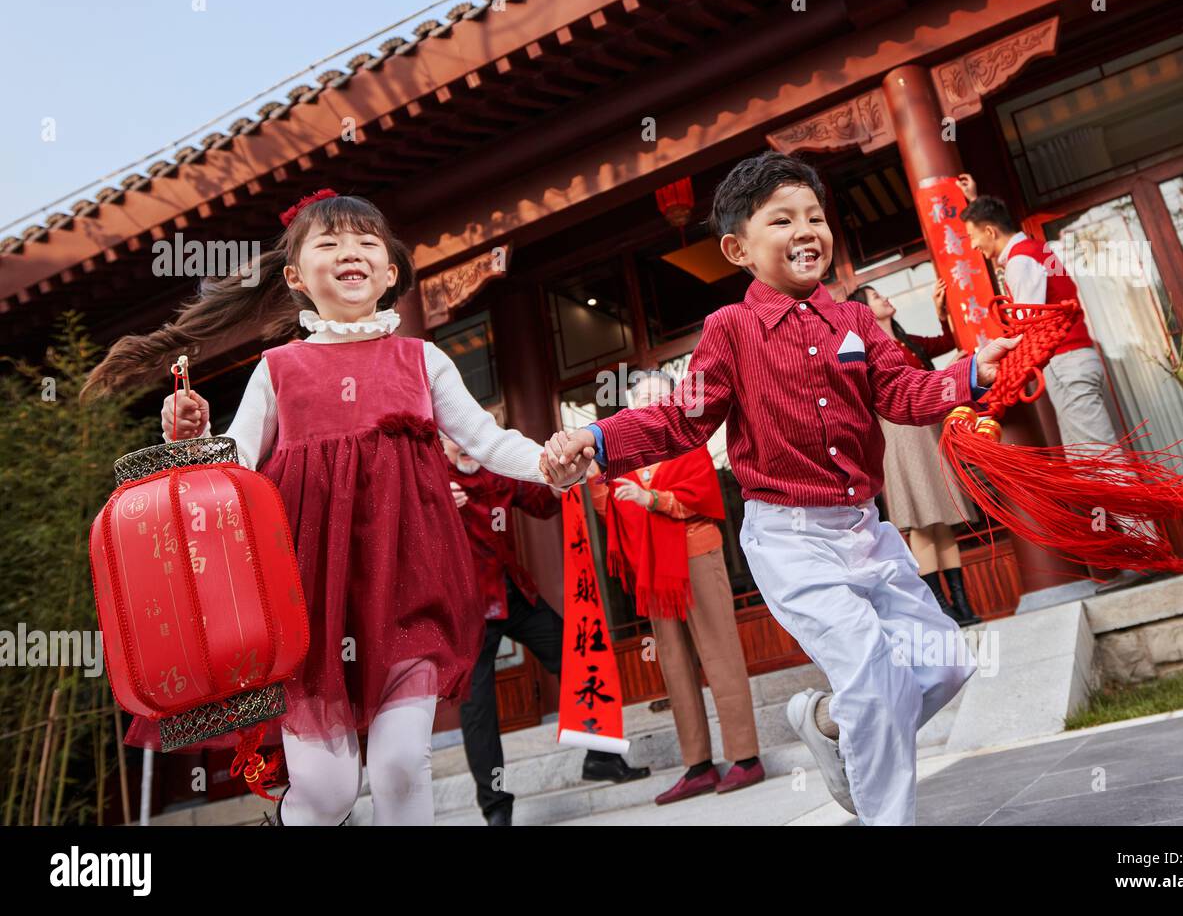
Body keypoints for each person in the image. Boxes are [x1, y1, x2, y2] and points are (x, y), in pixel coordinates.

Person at [539, 152, 1022, 824]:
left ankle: (826, 722)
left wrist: (970, 373)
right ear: (738, 247)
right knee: (876, 678)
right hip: (791, 538)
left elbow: (905, 393)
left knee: (944, 665)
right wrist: (594, 441)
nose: (807, 230)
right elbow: (682, 418)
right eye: (783, 219)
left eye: (816, 217)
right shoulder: (729, 331)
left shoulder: (855, 323)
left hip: (867, 531)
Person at [83, 191, 585, 826]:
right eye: (329, 242)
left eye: (367, 241)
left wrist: (549, 462)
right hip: (309, 603)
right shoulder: (277, 370)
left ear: (391, 271)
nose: (351, 252)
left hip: (411, 588)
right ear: (295, 277)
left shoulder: (422, 359)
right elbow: (228, 472)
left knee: (404, 764)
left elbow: (486, 442)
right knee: (327, 793)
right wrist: (188, 440)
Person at [444, 435, 648, 826]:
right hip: (466, 607)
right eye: (453, 441)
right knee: (478, 711)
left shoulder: (493, 469)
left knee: (575, 656)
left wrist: (561, 482)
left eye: (468, 437)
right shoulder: (432, 478)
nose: (464, 446)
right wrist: (433, 502)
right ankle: (496, 808)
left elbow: (539, 502)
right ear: (441, 444)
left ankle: (601, 756)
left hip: (512, 591)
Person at [957, 174, 1146, 591]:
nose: (973, 247)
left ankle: (1144, 552)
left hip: (1067, 364)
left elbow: (1029, 322)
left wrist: (995, 356)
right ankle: (1137, 552)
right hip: (1078, 360)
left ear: (990, 231)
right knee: (1092, 460)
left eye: (974, 236)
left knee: (1099, 461)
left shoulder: (1023, 260)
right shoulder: (1032, 249)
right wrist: (975, 199)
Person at [587, 369, 764, 805]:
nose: (644, 402)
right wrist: (590, 476)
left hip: (696, 552)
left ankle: (745, 757)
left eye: (654, 395)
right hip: (654, 570)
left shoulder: (688, 442)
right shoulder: (622, 458)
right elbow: (610, 509)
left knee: (719, 652)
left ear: (672, 403)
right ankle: (697, 764)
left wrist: (653, 500)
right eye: (637, 397)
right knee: (673, 663)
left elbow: (704, 497)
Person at [861, 285, 981, 626]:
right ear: (864, 311)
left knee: (942, 518)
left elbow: (947, 343)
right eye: (875, 296)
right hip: (898, 434)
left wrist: (942, 313)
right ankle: (940, 606)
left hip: (928, 429)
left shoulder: (907, 342)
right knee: (922, 522)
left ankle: (962, 602)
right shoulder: (870, 352)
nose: (885, 297)